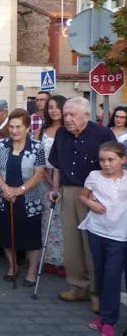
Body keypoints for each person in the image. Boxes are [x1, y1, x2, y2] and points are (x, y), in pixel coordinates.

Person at [49, 97, 115, 311]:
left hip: (96, 195)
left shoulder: (103, 134)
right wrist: (54, 188)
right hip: (68, 192)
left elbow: (115, 164)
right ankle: (78, 287)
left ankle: (97, 293)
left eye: (72, 115)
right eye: (65, 114)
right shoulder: (61, 134)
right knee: (72, 244)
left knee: (93, 246)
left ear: (86, 115)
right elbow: (57, 164)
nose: (67, 119)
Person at [0, 109, 46, 286]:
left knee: (31, 237)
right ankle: (13, 266)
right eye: (12, 126)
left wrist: (19, 190)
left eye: (19, 127)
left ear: (28, 128)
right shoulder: (1, 145)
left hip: (29, 199)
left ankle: (31, 271)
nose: (14, 131)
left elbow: (39, 175)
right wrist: (6, 189)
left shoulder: (37, 146)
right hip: (5, 197)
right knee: (7, 235)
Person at [79, 142, 127, 336]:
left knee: (112, 275)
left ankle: (109, 320)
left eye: (111, 160)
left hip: (120, 235)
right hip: (97, 231)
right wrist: (91, 203)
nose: (106, 164)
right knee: (100, 273)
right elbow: (83, 196)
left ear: (122, 160)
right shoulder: (94, 176)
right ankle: (104, 313)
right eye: (102, 160)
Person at [35, 95, 67, 276]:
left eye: (57, 107)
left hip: (64, 181)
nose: (54, 110)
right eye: (51, 107)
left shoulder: (68, 129)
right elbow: (38, 156)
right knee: (46, 219)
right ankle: (47, 259)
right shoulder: (43, 129)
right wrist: (46, 177)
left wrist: (58, 182)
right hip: (43, 178)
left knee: (62, 222)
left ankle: (63, 260)